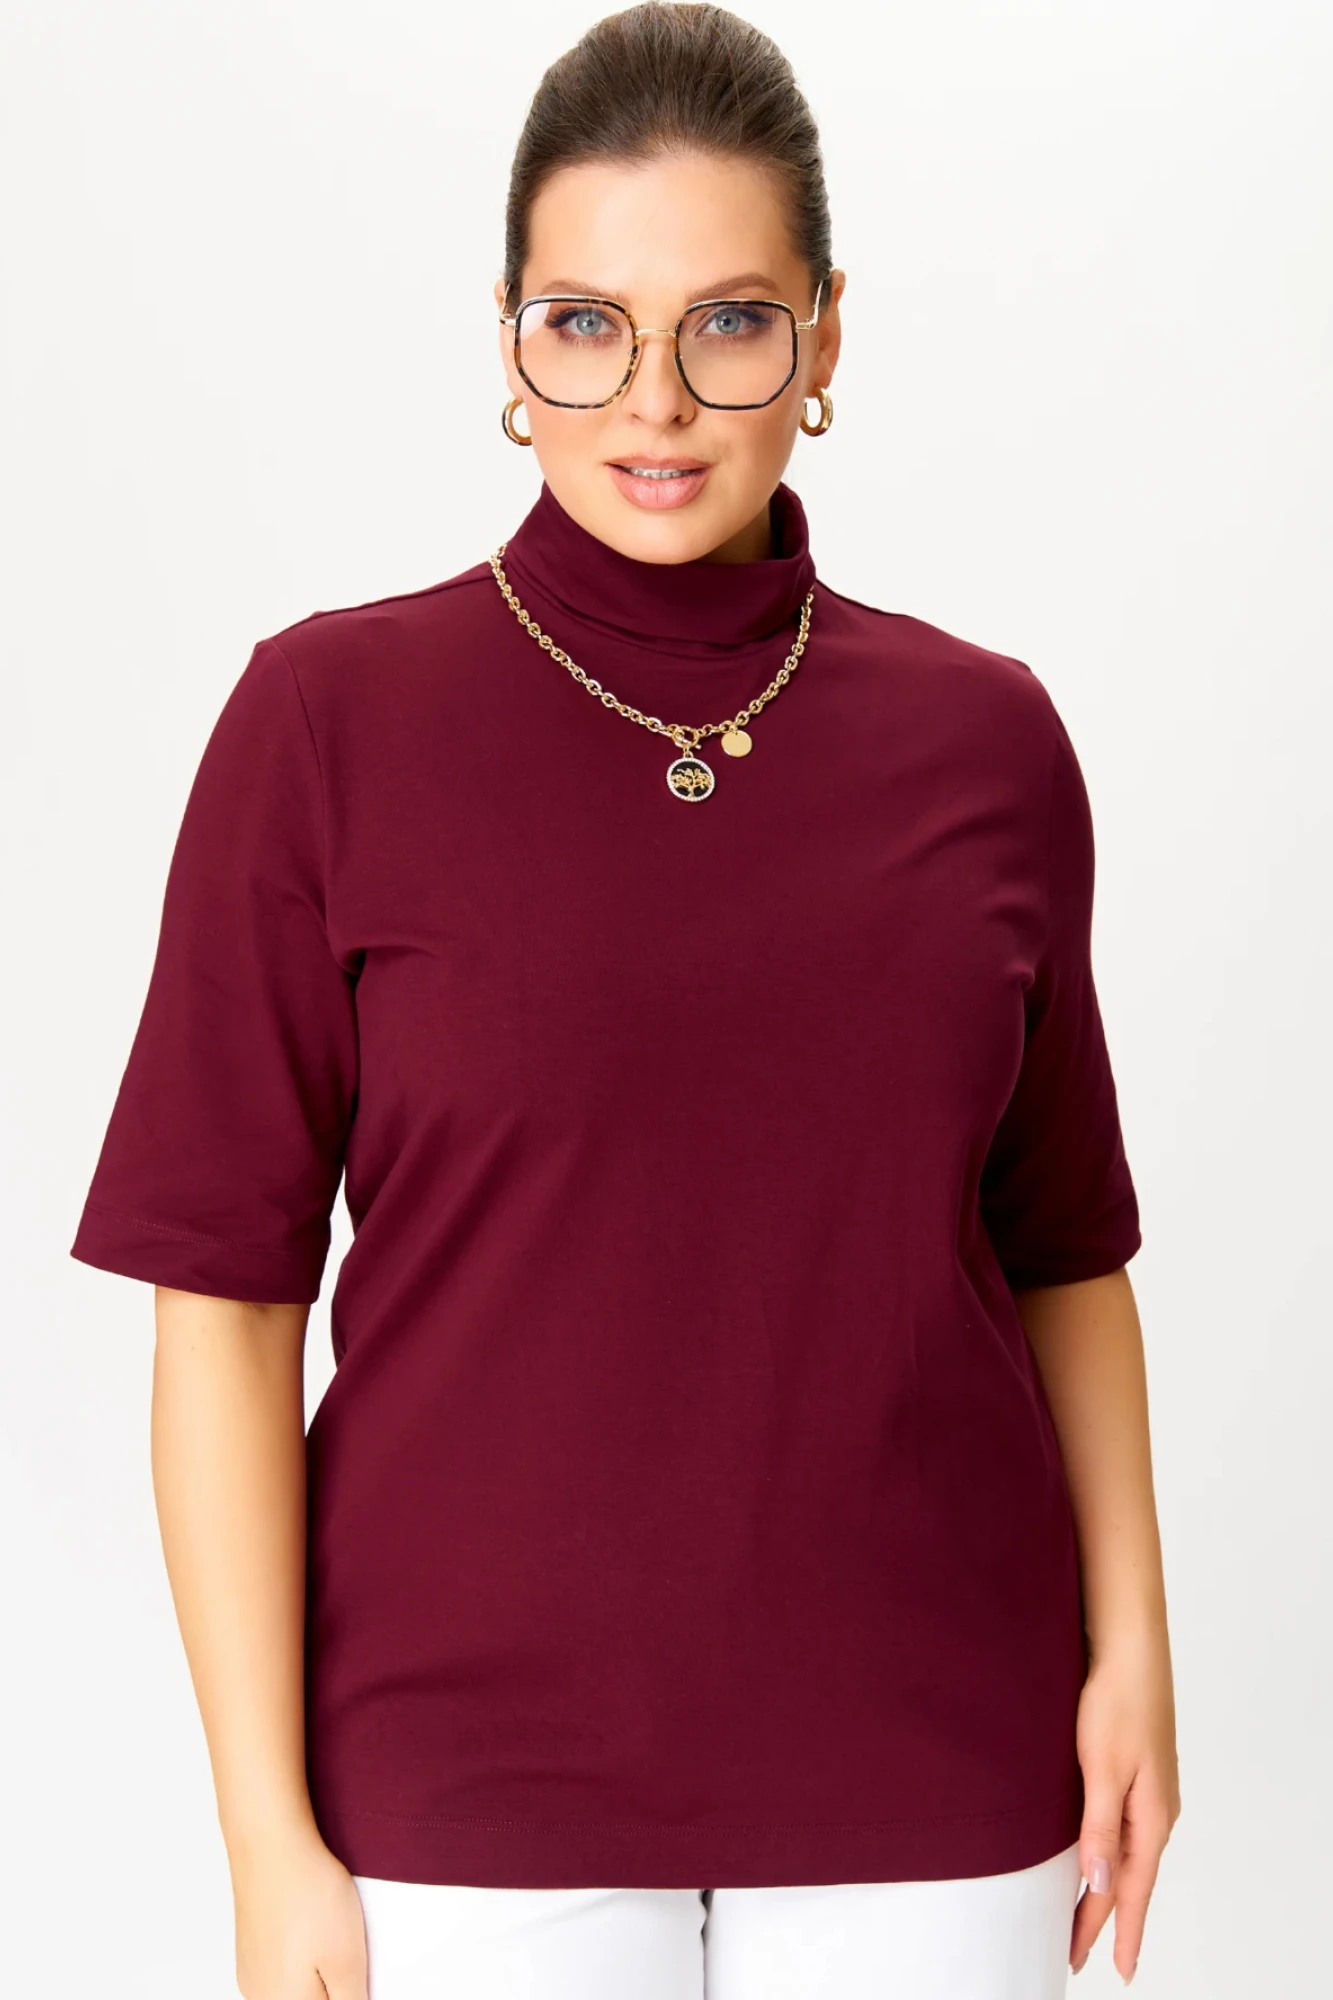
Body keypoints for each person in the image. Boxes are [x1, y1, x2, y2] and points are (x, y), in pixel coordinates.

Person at [68, 4, 1180, 1995]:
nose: (653, 400)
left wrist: (1137, 1656)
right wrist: (262, 1832)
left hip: (936, 1771)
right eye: (586, 324)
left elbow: (1062, 1256)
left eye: (729, 323)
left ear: (823, 339)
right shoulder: (326, 725)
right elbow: (222, 1312)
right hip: (462, 1806)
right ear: (511, 343)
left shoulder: (988, 743)